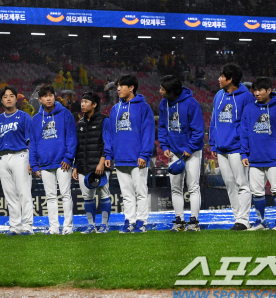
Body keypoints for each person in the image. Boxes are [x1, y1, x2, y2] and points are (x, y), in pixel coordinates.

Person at [240, 77, 276, 231]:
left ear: (269, 90)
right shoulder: (249, 109)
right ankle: (261, 221)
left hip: (275, 158)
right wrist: (244, 154)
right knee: (257, 193)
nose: (256, 93)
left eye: (260, 90)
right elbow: (244, 132)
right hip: (255, 159)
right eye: (254, 90)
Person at [105, 75, 155, 233]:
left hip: (137, 157)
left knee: (141, 192)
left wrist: (144, 154)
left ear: (132, 87)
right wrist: (108, 155)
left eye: (122, 85)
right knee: (126, 193)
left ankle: (142, 221)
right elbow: (110, 134)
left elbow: (148, 132)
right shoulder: (115, 109)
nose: (118, 89)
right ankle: (129, 220)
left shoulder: (143, 107)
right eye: (118, 86)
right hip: (120, 158)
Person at [209, 63, 255, 230]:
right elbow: (214, 120)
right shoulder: (218, 96)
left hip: (237, 147)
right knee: (229, 183)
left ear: (230, 80)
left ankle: (244, 219)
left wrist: (245, 150)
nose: (219, 79)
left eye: (222, 76)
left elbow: (248, 124)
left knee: (242, 183)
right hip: (221, 148)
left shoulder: (246, 97)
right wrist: (213, 143)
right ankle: (238, 218)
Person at [158, 75, 205, 232]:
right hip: (174, 151)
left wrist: (190, 149)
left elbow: (198, 130)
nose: (160, 91)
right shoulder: (163, 103)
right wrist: (164, 146)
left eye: (163, 89)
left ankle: (194, 222)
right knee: (175, 188)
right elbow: (163, 127)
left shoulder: (192, 103)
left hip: (191, 152)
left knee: (193, 187)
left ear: (172, 91)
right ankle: (179, 222)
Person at [30, 84, 78, 235]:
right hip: (44, 163)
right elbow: (33, 142)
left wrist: (69, 157)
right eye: (45, 96)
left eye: (51, 95)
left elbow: (71, 137)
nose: (48, 98)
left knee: (66, 195)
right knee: (50, 197)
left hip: (62, 161)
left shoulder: (65, 114)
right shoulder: (36, 119)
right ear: (40, 99)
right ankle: (54, 227)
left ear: (55, 96)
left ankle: (68, 227)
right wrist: (34, 164)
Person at [0, 86, 34, 235]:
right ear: (1, 100)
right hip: (3, 158)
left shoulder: (24, 117)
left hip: (21, 155)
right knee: (10, 194)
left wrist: (31, 161)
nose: (8, 98)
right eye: (5, 96)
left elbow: (30, 141)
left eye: (11, 96)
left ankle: (28, 226)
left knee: (24, 193)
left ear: (16, 99)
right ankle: (15, 227)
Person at [72, 91, 112, 234]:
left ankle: (104, 225)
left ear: (94, 105)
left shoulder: (104, 120)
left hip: (99, 166)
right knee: (87, 197)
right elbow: (78, 146)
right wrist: (76, 166)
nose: (82, 104)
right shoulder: (81, 123)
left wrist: (102, 162)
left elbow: (107, 142)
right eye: (82, 102)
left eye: (86, 102)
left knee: (104, 195)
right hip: (83, 166)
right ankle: (91, 225)